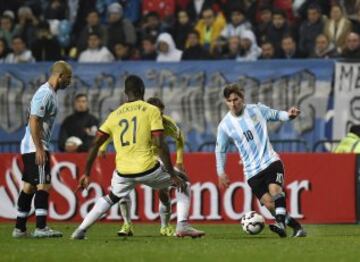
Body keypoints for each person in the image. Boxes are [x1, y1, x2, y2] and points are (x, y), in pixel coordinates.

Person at [71, 75, 205, 239]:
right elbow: (160, 144)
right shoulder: (151, 110)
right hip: (148, 168)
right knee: (183, 182)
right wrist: (172, 174)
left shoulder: (114, 115)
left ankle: (81, 230)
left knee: (111, 197)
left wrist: (86, 173)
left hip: (123, 171)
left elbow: (95, 144)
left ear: (125, 93)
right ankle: (182, 225)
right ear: (143, 90)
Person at [215, 83, 306, 238]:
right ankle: (297, 228)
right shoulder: (224, 125)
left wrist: (289, 115)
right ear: (226, 102)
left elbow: (276, 115)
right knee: (270, 205)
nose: (233, 103)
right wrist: (220, 171)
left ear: (241, 98)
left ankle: (280, 224)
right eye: (229, 101)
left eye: (235, 99)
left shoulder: (256, 110)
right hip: (251, 171)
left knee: (275, 191)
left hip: (270, 161)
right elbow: (220, 150)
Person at [98, 97, 186, 237]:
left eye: (161, 113)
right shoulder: (138, 120)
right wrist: (102, 147)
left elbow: (180, 138)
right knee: (122, 190)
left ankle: (165, 226)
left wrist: (179, 161)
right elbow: (113, 130)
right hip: (134, 157)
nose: (158, 116)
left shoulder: (167, 123)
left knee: (163, 192)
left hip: (155, 159)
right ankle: (127, 224)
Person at [13, 60, 72, 238]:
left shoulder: (50, 93)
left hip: (32, 145)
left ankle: (20, 229)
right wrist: (39, 148)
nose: (69, 82)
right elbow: (34, 120)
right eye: (68, 78)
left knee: (29, 187)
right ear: (59, 76)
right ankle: (41, 228)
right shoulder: (45, 93)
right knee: (43, 185)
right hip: (35, 146)